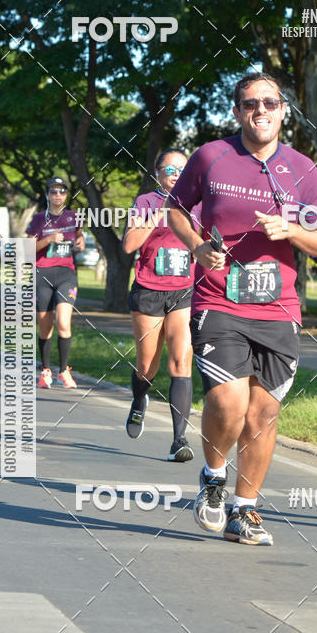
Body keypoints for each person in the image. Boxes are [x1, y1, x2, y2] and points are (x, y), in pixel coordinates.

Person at [165, 71, 317, 546]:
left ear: (283, 110)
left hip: (279, 307)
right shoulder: (211, 157)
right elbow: (176, 209)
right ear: (237, 111)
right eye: (249, 103)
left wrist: (294, 232)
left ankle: (245, 510)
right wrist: (198, 247)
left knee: (262, 413)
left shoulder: (302, 168)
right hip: (219, 298)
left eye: (269, 102)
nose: (260, 110)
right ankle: (213, 476)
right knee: (228, 401)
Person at [122, 148, 196, 462]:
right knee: (146, 366)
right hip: (149, 291)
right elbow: (129, 244)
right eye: (170, 169)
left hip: (184, 291)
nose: (177, 175)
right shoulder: (145, 202)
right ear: (157, 173)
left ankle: (179, 440)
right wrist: (159, 213)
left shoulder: (197, 203)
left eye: (183, 169)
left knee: (181, 362)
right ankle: (140, 399)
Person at [26, 176, 84, 388]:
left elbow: (79, 237)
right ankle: (45, 371)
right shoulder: (39, 219)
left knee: (64, 322)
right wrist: (49, 240)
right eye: (54, 191)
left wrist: (80, 242)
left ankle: (64, 371)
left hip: (66, 274)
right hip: (42, 274)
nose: (58, 195)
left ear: (67, 194)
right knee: (45, 326)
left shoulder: (74, 217)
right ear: (47, 195)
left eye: (62, 191)